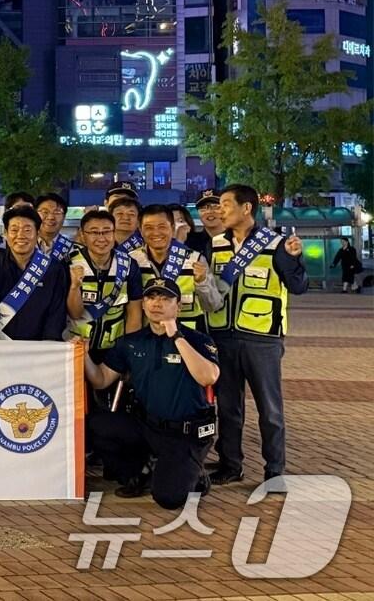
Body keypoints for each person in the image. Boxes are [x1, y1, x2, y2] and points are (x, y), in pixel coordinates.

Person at [83, 278, 220, 507]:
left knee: (168, 498)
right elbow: (100, 380)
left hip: (185, 430)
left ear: (179, 306)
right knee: (98, 424)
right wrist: (84, 354)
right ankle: (141, 472)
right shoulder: (132, 342)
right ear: (144, 305)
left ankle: (195, 475)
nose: (157, 303)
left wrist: (176, 336)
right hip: (148, 425)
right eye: (151, 297)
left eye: (166, 299)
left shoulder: (197, 339)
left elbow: (208, 377)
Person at [207, 184, 307, 485]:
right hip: (223, 336)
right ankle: (230, 464)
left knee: (270, 409)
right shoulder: (215, 244)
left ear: (246, 208)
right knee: (227, 407)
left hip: (262, 337)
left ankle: (274, 471)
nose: (218, 211)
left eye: (224, 205)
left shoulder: (276, 244)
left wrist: (293, 259)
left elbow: (298, 286)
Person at [0, 205, 69, 341]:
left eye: (27, 230)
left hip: (37, 350)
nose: (20, 235)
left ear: (37, 233)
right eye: (14, 230)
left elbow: (56, 312)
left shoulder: (53, 268)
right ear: (6, 234)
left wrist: (49, 346)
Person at [131, 204, 221, 334]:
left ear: (172, 228)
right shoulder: (132, 260)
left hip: (188, 337)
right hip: (147, 339)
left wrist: (202, 282)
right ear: (140, 230)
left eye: (162, 227)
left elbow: (213, 305)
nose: (156, 233)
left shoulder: (194, 259)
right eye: (149, 228)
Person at [67, 210, 143, 358]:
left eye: (107, 231)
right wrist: (75, 287)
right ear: (83, 235)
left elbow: (134, 312)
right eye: (94, 232)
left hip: (115, 348)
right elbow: (75, 314)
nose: (101, 238)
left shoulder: (128, 265)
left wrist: (130, 351)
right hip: (76, 346)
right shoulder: (69, 263)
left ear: (114, 233)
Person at [36, 193, 74, 261]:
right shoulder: (24, 243)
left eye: (57, 213)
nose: (51, 217)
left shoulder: (71, 248)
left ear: (64, 217)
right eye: (45, 212)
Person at [186, 190, 223, 259]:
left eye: (215, 206)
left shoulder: (237, 238)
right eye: (203, 208)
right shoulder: (191, 242)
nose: (209, 211)